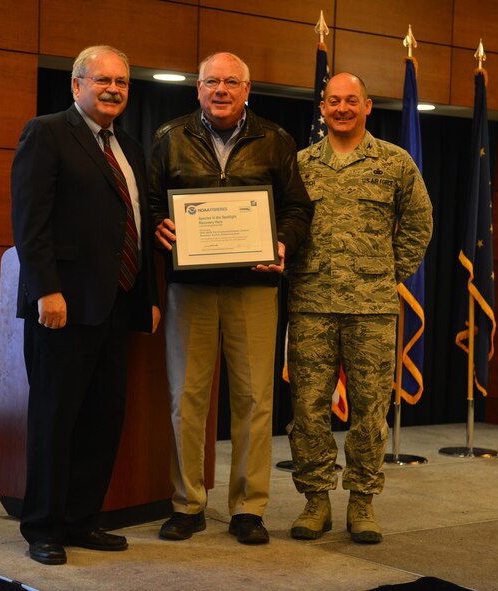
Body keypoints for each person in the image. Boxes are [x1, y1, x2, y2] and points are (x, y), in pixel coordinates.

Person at [148, 52, 312, 545]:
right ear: (197, 89)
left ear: (247, 90)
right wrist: (159, 224)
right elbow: (152, 202)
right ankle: (187, 504)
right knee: (185, 399)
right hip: (189, 289)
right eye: (211, 81)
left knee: (256, 400)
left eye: (231, 82)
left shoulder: (277, 140)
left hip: (254, 288)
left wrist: (282, 241)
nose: (221, 90)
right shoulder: (169, 138)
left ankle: (248, 508)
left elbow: (298, 207)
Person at [10, 45, 160, 566]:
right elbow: (31, 223)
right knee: (56, 419)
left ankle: (81, 520)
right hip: (64, 307)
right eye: (103, 80)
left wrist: (148, 298)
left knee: (102, 419)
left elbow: (135, 225)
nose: (114, 89)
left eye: (122, 81)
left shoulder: (130, 148)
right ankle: (43, 528)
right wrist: (45, 289)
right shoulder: (47, 132)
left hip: (115, 306)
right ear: (76, 85)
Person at [287, 72, 432, 543]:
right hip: (310, 303)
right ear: (323, 108)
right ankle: (314, 500)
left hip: (371, 308)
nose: (342, 108)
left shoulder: (394, 162)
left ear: (368, 106)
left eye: (352, 100)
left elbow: (418, 222)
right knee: (308, 408)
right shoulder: (301, 164)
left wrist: (388, 274)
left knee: (370, 410)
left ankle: (363, 501)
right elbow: (281, 223)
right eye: (334, 101)